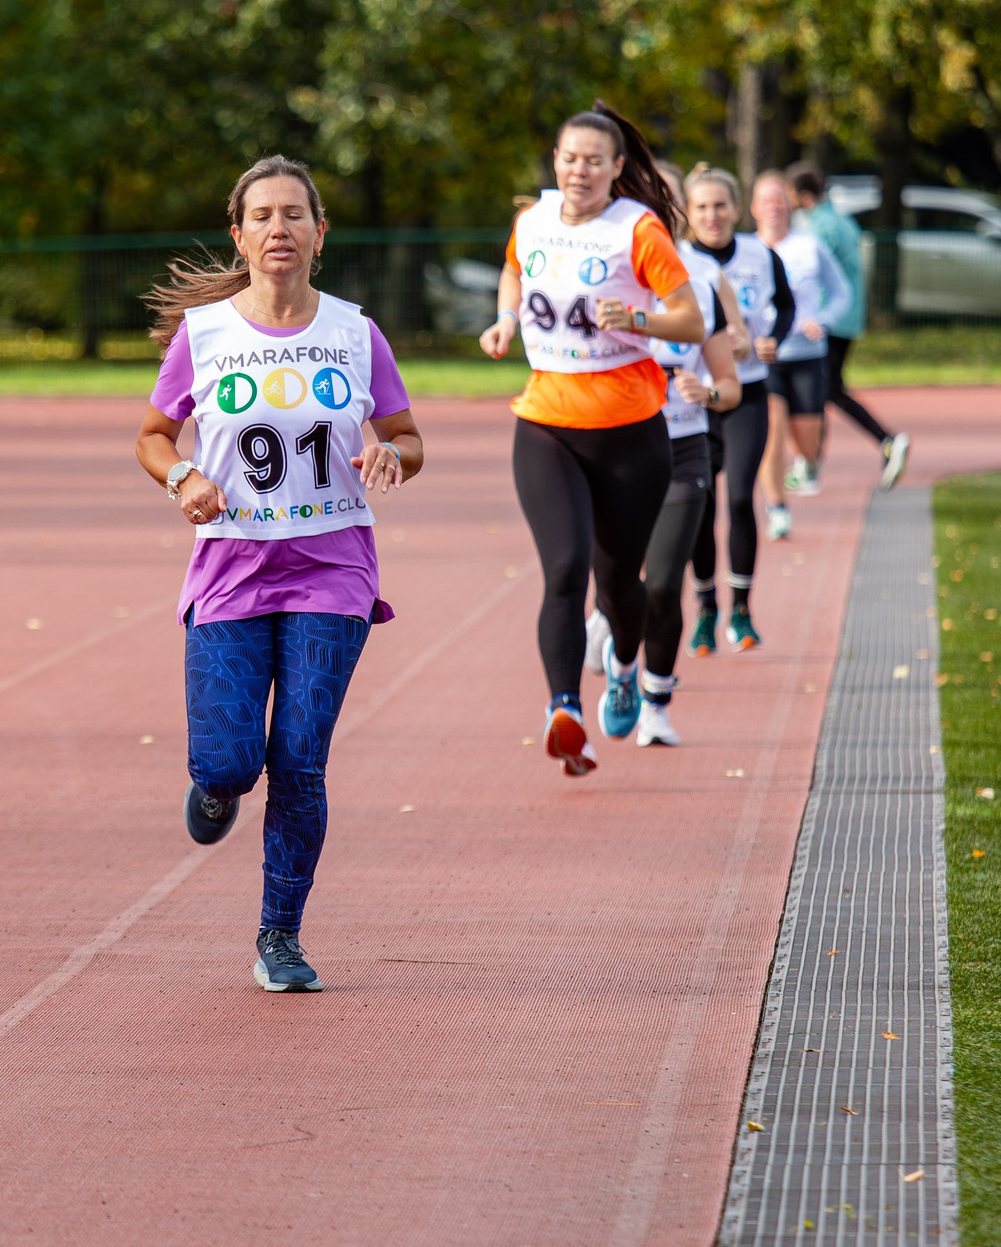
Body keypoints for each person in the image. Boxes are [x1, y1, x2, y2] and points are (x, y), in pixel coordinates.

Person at [135, 155, 426, 991]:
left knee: (300, 759)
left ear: (319, 232)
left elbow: (409, 438)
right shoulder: (205, 336)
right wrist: (183, 478)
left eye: (294, 214)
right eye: (261, 215)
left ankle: (280, 937)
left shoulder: (355, 332)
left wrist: (389, 457)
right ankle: (218, 789)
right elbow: (154, 435)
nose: (278, 229)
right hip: (230, 567)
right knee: (228, 763)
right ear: (239, 233)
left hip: (332, 565)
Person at [480, 106, 705, 777]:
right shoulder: (533, 220)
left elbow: (690, 320)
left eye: (594, 160)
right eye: (569, 157)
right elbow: (515, 270)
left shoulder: (636, 229)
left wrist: (638, 316)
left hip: (631, 431)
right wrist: (503, 319)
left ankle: (627, 668)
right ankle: (564, 711)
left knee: (618, 585)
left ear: (615, 170)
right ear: (556, 160)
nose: (580, 170)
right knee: (564, 572)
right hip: (546, 421)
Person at [583, 164, 746, 748]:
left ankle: (654, 698)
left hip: (682, 451)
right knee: (617, 580)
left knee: (663, 585)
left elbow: (731, 382)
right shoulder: (596, 272)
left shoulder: (700, 280)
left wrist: (709, 392)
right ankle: (614, 637)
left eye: (665, 199)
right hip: (619, 449)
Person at [678, 166, 792, 654]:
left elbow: (785, 306)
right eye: (701, 206)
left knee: (741, 499)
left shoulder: (760, 255)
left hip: (746, 393)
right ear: (687, 212)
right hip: (694, 402)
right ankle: (706, 610)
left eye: (720, 205)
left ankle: (741, 609)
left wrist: (772, 341)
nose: (712, 215)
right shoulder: (675, 260)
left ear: (737, 208)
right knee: (699, 507)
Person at [785, 163, 908, 490]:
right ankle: (813, 462)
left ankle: (883, 441)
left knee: (823, 390)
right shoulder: (841, 219)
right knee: (827, 389)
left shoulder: (819, 227)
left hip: (828, 321)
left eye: (790, 194)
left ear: (804, 196)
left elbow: (811, 275)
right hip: (847, 317)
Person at [749, 170, 850, 543]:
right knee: (772, 431)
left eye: (779, 199)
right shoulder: (747, 250)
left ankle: (801, 467)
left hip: (807, 354)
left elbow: (841, 292)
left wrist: (822, 321)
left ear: (789, 204)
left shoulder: (810, 247)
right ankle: (776, 508)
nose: (774, 206)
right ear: (754, 207)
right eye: (766, 200)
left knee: (807, 446)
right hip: (766, 357)